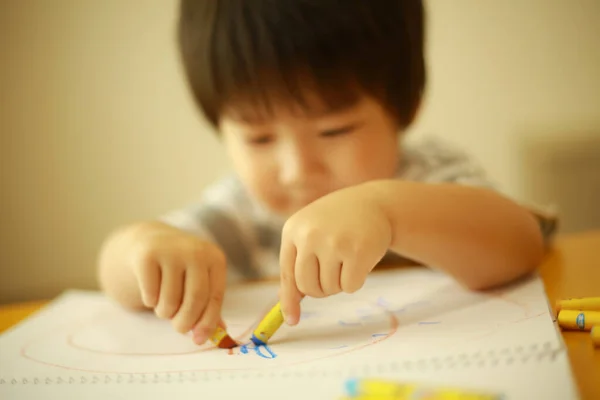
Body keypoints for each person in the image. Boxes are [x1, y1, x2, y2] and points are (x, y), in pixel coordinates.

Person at [97, 0, 550, 347]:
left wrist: (386, 211)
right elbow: (115, 273)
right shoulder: (240, 213)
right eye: (259, 138)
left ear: (404, 106)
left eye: (334, 130)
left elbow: (522, 242)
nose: (298, 170)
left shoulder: (428, 174)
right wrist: (146, 249)